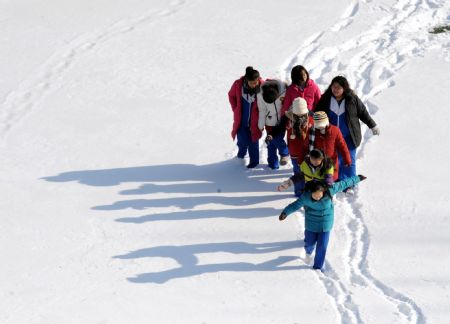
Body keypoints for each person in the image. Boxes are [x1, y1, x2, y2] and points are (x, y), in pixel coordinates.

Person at [279, 175, 367, 270]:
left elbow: (343, 184)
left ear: (323, 191)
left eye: (319, 194)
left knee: (322, 246)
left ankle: (318, 266)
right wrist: (285, 212)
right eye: (315, 195)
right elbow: (295, 205)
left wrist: (358, 178)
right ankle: (308, 252)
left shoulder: (330, 190)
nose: (317, 197)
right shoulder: (305, 197)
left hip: (325, 224)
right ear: (310, 192)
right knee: (309, 243)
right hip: (311, 224)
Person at [315, 76, 379, 183]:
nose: (335, 89)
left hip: (349, 136)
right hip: (331, 136)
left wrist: (372, 125)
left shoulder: (352, 99)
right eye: (333, 87)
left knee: (349, 160)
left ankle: (349, 183)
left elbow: (363, 113)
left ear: (344, 88)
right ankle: (335, 180)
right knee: (334, 160)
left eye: (338, 87)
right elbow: (317, 114)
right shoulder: (326, 99)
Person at [228, 66, 264, 168]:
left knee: (254, 140)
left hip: (255, 121)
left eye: (255, 82)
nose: (254, 85)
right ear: (246, 80)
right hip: (242, 120)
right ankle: (240, 157)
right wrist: (235, 108)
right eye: (251, 83)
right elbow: (231, 95)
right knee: (242, 140)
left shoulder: (263, 87)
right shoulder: (238, 85)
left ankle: (254, 162)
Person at [257, 79, 289, 169]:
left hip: (281, 122)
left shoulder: (284, 91)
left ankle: (284, 152)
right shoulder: (260, 94)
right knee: (270, 143)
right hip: (269, 122)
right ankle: (272, 164)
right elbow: (262, 111)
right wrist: (260, 125)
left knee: (276, 138)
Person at [310, 111, 351, 182]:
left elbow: (342, 145)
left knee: (331, 182)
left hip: (332, 163)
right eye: (318, 126)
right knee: (319, 182)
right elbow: (307, 146)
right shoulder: (312, 132)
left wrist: (347, 159)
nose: (320, 127)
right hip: (318, 163)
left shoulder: (335, 130)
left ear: (326, 122)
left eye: (321, 125)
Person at [285, 97, 314, 196]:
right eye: (297, 115)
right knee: (298, 172)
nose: (300, 117)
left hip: (308, 153)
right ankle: (299, 192)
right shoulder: (289, 121)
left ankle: (310, 191)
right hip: (295, 153)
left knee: (310, 173)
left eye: (302, 114)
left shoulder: (311, 121)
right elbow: (287, 135)